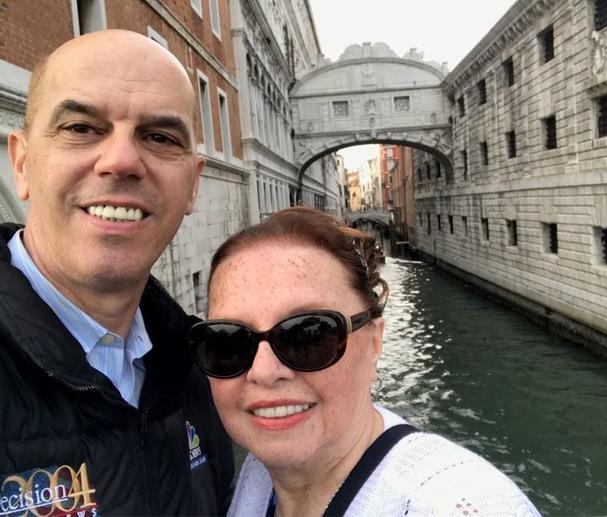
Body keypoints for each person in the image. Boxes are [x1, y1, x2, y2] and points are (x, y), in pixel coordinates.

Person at [1, 30, 234, 515]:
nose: (122, 161)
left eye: (159, 137)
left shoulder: (199, 366)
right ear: (22, 164)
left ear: (193, 183)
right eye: (81, 128)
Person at [189, 207, 540, 516]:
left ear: (374, 342)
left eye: (309, 334)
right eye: (228, 341)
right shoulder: (260, 471)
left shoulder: (459, 506)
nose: (264, 372)